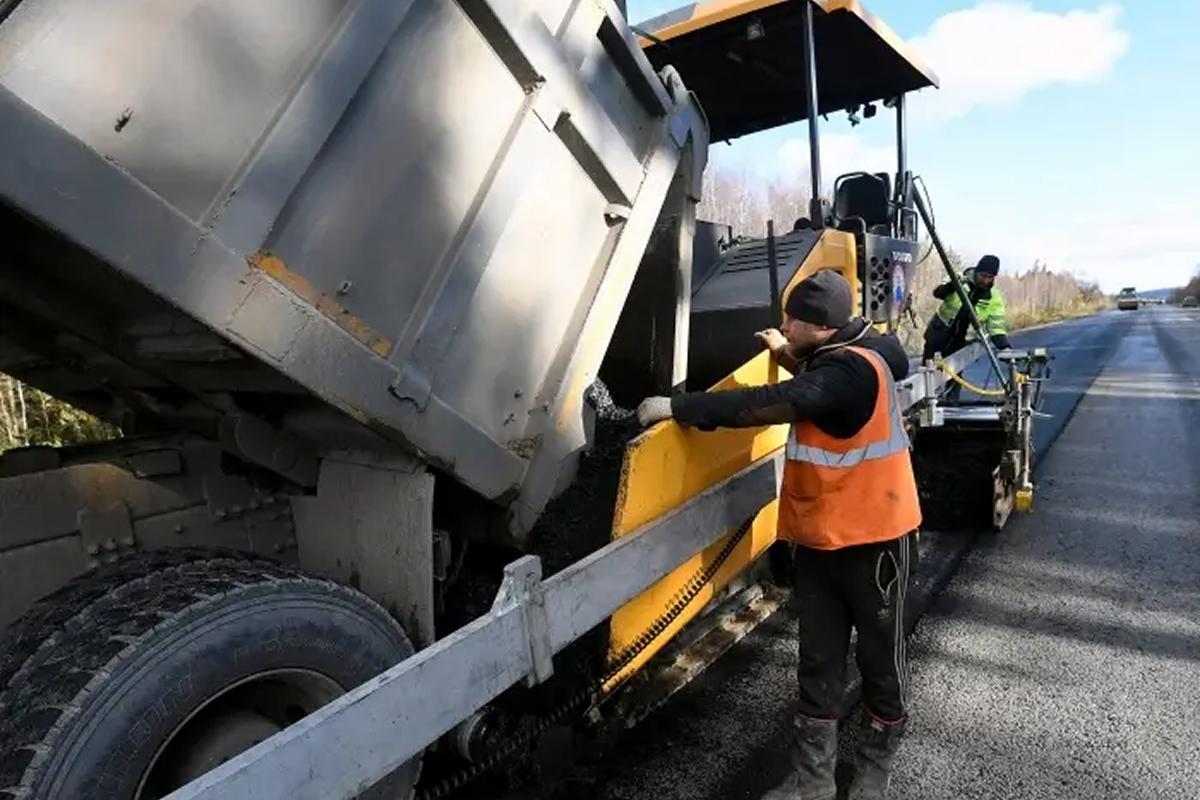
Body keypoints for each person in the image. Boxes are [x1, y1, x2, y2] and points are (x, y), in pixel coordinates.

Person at [636, 270, 921, 800]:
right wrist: (788, 350)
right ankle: (813, 781)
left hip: (877, 545)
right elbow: (814, 378)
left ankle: (874, 770)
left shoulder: (850, 374)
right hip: (821, 543)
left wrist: (679, 408)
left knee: (881, 662)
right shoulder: (846, 349)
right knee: (817, 660)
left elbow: (774, 402)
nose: (783, 324)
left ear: (826, 328)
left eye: (794, 320)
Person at [921, 254, 1010, 363]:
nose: (986, 281)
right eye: (983, 275)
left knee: (954, 377)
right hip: (938, 336)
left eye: (990, 277)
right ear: (977, 271)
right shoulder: (957, 277)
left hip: (961, 344)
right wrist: (953, 285)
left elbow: (996, 328)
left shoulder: (994, 298)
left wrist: (1005, 348)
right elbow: (938, 293)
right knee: (929, 374)